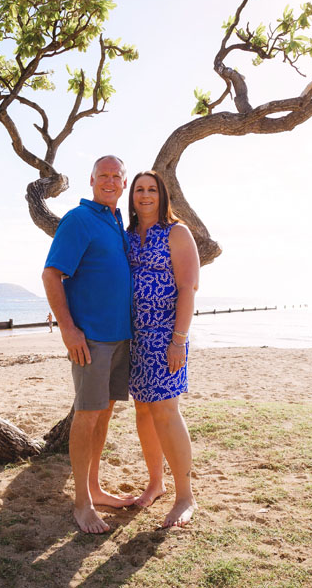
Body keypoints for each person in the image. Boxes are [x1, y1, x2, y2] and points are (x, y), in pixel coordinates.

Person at [42, 155, 136, 534]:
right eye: (103, 176)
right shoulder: (78, 219)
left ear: (124, 184)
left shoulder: (116, 223)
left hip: (120, 338)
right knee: (87, 415)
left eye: (117, 176)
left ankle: (94, 488)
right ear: (92, 180)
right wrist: (68, 328)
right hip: (91, 339)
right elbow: (51, 274)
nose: (110, 181)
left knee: (104, 413)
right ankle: (81, 503)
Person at [126, 170, 200, 528]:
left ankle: (185, 495)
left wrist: (179, 340)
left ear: (162, 195)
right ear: (132, 196)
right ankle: (155, 483)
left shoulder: (176, 232)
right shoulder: (127, 236)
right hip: (132, 338)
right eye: (139, 189)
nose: (145, 195)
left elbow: (188, 287)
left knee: (166, 413)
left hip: (165, 336)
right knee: (143, 412)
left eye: (151, 189)